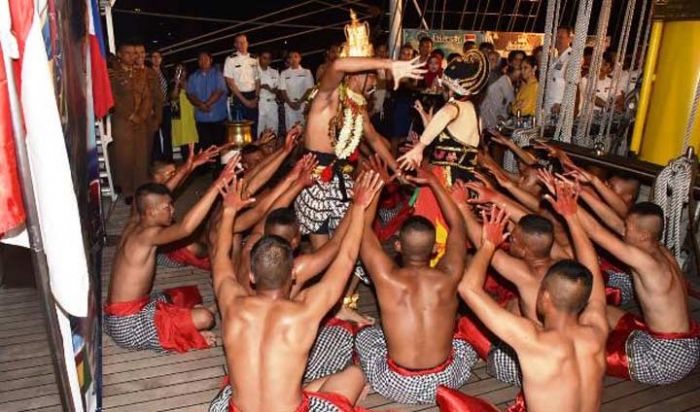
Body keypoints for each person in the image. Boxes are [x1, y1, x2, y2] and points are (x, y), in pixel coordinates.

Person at [207, 171, 383, 412]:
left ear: (251, 275)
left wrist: (228, 211)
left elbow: (220, 255)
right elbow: (347, 256)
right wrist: (360, 206)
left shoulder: (231, 302)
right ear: (292, 274)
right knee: (354, 375)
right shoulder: (305, 310)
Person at [293, 10, 425, 324]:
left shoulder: (356, 104)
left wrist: (398, 170)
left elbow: (377, 140)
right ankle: (319, 307)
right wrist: (387, 63)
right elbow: (338, 64)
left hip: (339, 180)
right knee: (324, 253)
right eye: (369, 75)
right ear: (356, 74)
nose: (373, 82)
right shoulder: (325, 97)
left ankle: (341, 303)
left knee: (352, 246)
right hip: (314, 179)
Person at [458, 183, 609, 412]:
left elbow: (468, 289)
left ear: (545, 297)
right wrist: (572, 217)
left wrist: (488, 244)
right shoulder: (597, 329)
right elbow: (592, 272)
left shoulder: (531, 339)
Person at [356, 164, 476, 404]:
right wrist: (433, 182)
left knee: (365, 336)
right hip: (446, 380)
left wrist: (378, 186)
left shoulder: (385, 277)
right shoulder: (450, 274)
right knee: (465, 338)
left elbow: (362, 230)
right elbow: (458, 226)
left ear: (398, 246)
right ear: (434, 249)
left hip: (395, 384)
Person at [103, 159, 238, 353]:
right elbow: (186, 228)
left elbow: (160, 192)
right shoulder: (146, 236)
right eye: (168, 208)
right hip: (128, 326)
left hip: (127, 311)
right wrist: (217, 186)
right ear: (151, 212)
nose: (173, 211)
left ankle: (187, 321)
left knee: (183, 295)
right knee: (206, 319)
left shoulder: (136, 219)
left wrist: (188, 168)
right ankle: (190, 333)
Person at [574, 200, 700, 384]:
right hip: (684, 343)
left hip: (664, 360)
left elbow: (595, 232)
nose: (623, 230)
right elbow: (614, 223)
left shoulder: (645, 263)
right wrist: (582, 191)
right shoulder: (660, 250)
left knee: (580, 350)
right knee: (601, 310)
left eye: (628, 227)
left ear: (644, 236)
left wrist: (569, 207)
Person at [109, 42, 155, 204]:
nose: (131, 56)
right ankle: (128, 190)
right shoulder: (113, 73)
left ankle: (140, 188)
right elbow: (113, 98)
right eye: (127, 53)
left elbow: (148, 97)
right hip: (123, 120)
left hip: (140, 120)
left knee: (141, 156)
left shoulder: (140, 73)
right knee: (125, 156)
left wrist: (141, 116)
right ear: (120, 55)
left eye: (133, 53)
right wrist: (130, 115)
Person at [187, 52, 229, 152]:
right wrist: (201, 105)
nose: (203, 61)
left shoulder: (218, 75)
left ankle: (219, 167)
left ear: (211, 60)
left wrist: (205, 105)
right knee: (205, 148)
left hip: (218, 118)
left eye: (206, 59)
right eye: (200, 59)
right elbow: (190, 95)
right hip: (202, 120)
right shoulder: (193, 77)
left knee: (219, 148)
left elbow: (219, 91)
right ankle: (208, 167)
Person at [224, 34, 260, 135]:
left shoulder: (254, 59)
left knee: (253, 129)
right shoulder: (230, 59)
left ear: (247, 43)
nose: (242, 44)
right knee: (240, 131)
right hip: (239, 96)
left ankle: (253, 151)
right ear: (235, 45)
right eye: (239, 43)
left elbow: (257, 80)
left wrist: (256, 97)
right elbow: (230, 83)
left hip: (253, 96)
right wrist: (245, 101)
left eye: (244, 42)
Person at [279, 50, 315, 131]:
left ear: (300, 58)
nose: (293, 59)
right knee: (291, 130)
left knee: (304, 129)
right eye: (291, 57)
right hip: (289, 106)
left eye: (296, 56)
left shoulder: (306, 72)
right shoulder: (284, 73)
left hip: (303, 105)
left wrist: (300, 102)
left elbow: (310, 89)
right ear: (288, 60)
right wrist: (290, 103)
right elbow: (283, 90)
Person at [170, 63, 199, 159]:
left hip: (190, 115)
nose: (181, 73)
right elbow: (173, 97)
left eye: (183, 70)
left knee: (192, 138)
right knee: (183, 140)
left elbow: (193, 94)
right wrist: (177, 84)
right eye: (178, 70)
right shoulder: (172, 83)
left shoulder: (190, 82)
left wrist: (183, 84)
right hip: (179, 116)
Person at [480, 64, 520, 130]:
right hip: (490, 123)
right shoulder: (502, 82)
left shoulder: (506, 82)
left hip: (490, 122)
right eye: (519, 69)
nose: (522, 72)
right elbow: (496, 107)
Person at [544, 26, 573, 116]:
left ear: (569, 39)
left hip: (558, 108)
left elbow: (572, 87)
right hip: (548, 106)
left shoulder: (571, 58)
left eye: (561, 37)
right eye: (556, 37)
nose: (557, 40)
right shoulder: (556, 59)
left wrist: (562, 105)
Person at [151, 51, 173, 162]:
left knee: (167, 133)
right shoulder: (148, 72)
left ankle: (168, 157)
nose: (156, 59)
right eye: (153, 57)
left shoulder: (165, 71)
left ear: (161, 59)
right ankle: (157, 157)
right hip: (153, 108)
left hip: (165, 106)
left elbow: (169, 87)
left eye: (158, 57)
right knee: (155, 133)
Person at [257, 51, 280, 136]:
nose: (266, 61)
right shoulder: (255, 71)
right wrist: (260, 87)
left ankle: (272, 149)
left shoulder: (274, 72)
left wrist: (270, 89)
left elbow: (279, 89)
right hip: (260, 103)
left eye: (268, 59)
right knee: (260, 130)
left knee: (273, 130)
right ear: (259, 58)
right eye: (264, 58)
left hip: (272, 103)